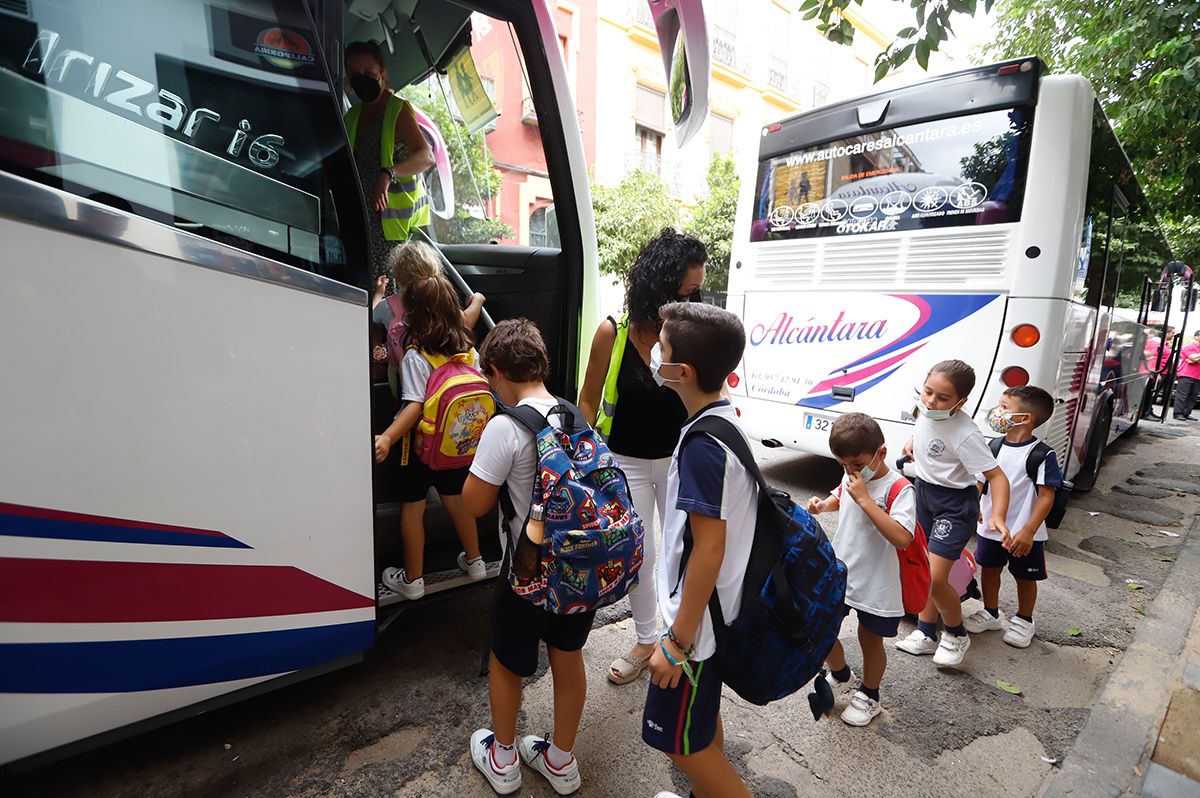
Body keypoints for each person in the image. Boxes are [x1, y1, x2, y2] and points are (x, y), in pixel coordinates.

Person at [461, 319, 591, 796]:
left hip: (529, 575)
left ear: (495, 373)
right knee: (568, 656)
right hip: (579, 569)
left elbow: (474, 504)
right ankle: (560, 760)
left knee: (508, 663)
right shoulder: (574, 415)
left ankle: (503, 758)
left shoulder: (504, 426)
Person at [576, 228, 707, 686]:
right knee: (641, 554)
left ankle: (678, 641)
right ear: (659, 285)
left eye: (698, 291)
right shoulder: (612, 333)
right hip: (624, 462)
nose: (695, 299)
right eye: (687, 291)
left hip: (677, 460)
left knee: (680, 552)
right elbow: (588, 400)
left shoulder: (689, 335)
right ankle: (646, 639)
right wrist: (582, 454)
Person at [642, 302, 754, 798]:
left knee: (680, 745)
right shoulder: (721, 419)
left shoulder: (703, 448)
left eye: (660, 349)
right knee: (700, 723)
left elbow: (709, 548)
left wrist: (676, 642)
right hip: (714, 615)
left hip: (696, 627)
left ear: (681, 372)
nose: (653, 353)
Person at [374, 274, 484, 600]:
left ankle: (413, 579)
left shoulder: (415, 355)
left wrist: (388, 438)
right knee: (456, 500)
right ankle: (476, 561)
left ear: (415, 315)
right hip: (456, 446)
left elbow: (413, 407)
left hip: (419, 447)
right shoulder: (467, 351)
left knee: (413, 507)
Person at [894, 360, 1010, 668]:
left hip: (955, 505)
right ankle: (925, 632)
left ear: (961, 402)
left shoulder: (966, 434)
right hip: (924, 494)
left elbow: (997, 477)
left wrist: (998, 515)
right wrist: (912, 441)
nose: (931, 401)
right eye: (927, 391)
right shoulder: (926, 409)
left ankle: (957, 634)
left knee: (934, 577)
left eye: (942, 398)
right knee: (923, 569)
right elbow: (924, 427)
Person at [806, 413, 914, 726]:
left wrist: (866, 500)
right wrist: (823, 505)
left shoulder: (899, 489)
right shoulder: (852, 477)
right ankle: (841, 674)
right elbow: (842, 494)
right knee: (821, 629)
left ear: (881, 453)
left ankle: (870, 694)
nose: (851, 471)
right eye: (843, 465)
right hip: (841, 572)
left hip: (876, 583)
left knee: (870, 639)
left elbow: (902, 537)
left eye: (856, 464)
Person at [963, 386, 1063, 648]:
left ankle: (1024, 619)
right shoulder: (993, 446)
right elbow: (979, 483)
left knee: (1025, 577)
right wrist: (973, 509)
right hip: (991, 529)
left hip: (1024, 533)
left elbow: (1046, 496)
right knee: (990, 570)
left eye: (1005, 408)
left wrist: (1029, 530)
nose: (997, 412)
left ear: (1025, 418)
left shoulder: (1042, 454)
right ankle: (991, 612)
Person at [344, 40, 434, 279]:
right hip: (359, 224)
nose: (362, 78)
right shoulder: (352, 116)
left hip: (389, 229)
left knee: (384, 298)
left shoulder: (398, 110)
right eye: (355, 74)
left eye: (369, 73)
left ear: (383, 75)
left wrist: (388, 173)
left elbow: (426, 156)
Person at [370, 241, 485, 396]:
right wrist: (478, 299)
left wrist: (378, 292)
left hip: (405, 374)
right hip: (441, 376)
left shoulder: (387, 306)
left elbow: (372, 314)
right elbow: (466, 320)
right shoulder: (441, 302)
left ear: (397, 276)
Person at [1173, 329, 1200, 421]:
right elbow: (1193, 358)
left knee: (1193, 396)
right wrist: (1194, 359)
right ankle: (1178, 413)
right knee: (1182, 395)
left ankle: (1186, 413)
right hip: (1186, 374)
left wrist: (1196, 358)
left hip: (1198, 376)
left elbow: (1195, 359)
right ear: (1196, 337)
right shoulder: (1189, 347)